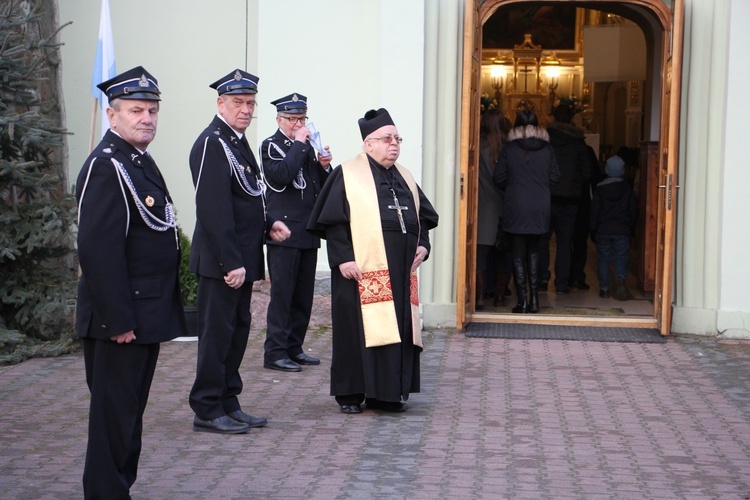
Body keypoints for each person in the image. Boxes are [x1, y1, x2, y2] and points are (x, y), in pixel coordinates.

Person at [76, 66, 188, 499]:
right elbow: (98, 252)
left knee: (127, 417)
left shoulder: (136, 160)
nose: (147, 118)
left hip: (143, 313)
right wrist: (119, 320)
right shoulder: (107, 166)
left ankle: (118, 489)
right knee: (113, 420)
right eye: (136, 110)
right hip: (120, 321)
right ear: (112, 115)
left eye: (152, 110)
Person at [307, 108, 439, 414]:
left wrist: (423, 244)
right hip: (361, 268)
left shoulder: (404, 176)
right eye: (387, 139)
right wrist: (343, 258)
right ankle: (351, 393)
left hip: (400, 266)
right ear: (368, 144)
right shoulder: (348, 174)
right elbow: (333, 222)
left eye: (397, 138)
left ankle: (388, 393)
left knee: (397, 328)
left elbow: (424, 217)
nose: (394, 144)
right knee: (357, 330)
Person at [188, 69, 291, 434]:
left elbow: (247, 196)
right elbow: (213, 210)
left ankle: (228, 401)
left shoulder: (236, 140)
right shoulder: (212, 142)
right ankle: (207, 406)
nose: (246, 110)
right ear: (220, 104)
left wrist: (268, 224)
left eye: (250, 103)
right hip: (223, 263)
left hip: (243, 259)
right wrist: (230, 262)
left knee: (236, 334)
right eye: (237, 103)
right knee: (217, 335)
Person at [260, 93, 332, 372]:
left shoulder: (305, 148)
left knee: (303, 295)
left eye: (302, 118)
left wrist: (324, 167)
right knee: (283, 295)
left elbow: (318, 188)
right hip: (283, 231)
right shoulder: (272, 146)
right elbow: (281, 177)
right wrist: (301, 144)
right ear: (279, 120)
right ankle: (275, 352)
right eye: (292, 119)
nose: (298, 124)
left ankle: (294, 347)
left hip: (307, 230)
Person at [493, 109, 560, 314]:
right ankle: (534, 301)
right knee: (535, 252)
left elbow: (499, 178)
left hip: (516, 206)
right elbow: (556, 178)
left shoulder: (509, 149)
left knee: (518, 254)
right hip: (540, 206)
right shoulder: (547, 149)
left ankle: (521, 301)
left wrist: (515, 187)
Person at [540, 103, 592, 294]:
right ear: (571, 118)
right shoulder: (579, 143)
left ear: (553, 117)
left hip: (547, 197)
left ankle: (542, 280)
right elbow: (587, 172)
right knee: (564, 242)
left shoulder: (546, 140)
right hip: (570, 199)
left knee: (543, 240)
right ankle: (562, 284)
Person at [476, 109, 511, 309]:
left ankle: (480, 297)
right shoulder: (509, 146)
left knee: (480, 256)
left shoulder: (477, 146)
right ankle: (500, 296)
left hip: (483, 206)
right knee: (501, 255)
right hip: (504, 206)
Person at [590, 155, 638, 300]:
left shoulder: (599, 189)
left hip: (603, 230)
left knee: (603, 258)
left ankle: (604, 289)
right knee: (621, 257)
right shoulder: (627, 189)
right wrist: (631, 228)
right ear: (622, 171)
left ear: (606, 170)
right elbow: (633, 210)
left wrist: (592, 229)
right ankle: (620, 277)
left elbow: (595, 211)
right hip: (622, 230)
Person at [568, 144, 602, 290]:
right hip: (581, 200)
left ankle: (560, 278)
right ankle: (577, 276)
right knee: (580, 241)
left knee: (563, 242)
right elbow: (595, 178)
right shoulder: (586, 149)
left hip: (557, 200)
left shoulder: (552, 145)